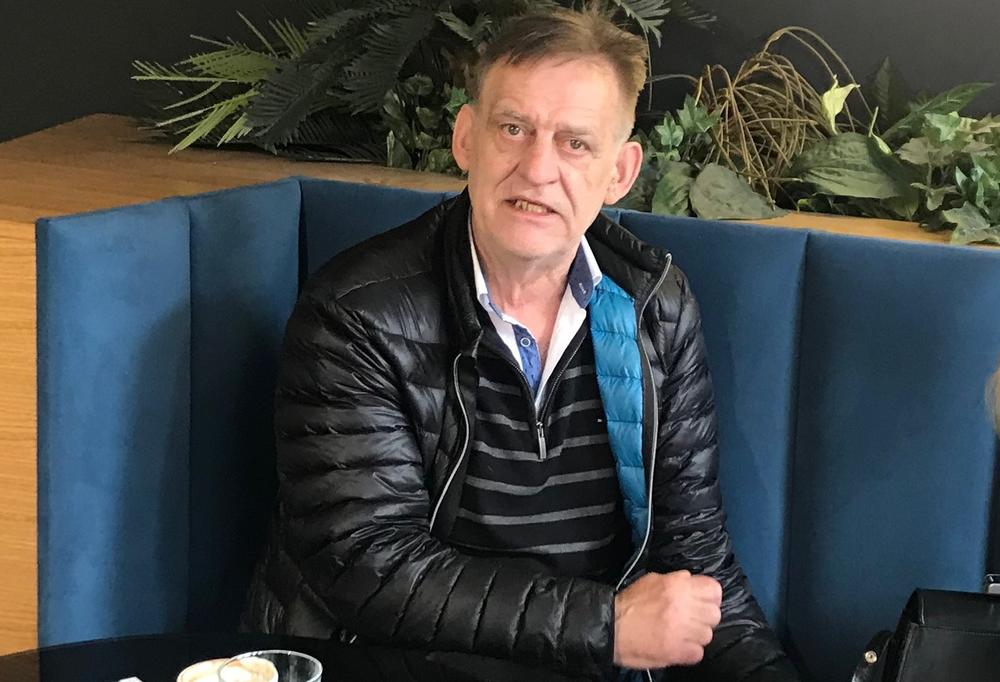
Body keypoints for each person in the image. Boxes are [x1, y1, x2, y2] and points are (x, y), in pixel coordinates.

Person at [243, 8, 798, 681]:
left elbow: (697, 566)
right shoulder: (356, 312)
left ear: (620, 172)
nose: (538, 169)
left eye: (575, 143)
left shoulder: (654, 308)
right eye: (513, 129)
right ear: (466, 139)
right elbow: (370, 565)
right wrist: (607, 626)